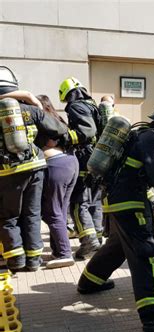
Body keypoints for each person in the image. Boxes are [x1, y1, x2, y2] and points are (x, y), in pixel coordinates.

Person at [77, 100, 154, 332]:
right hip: (132, 203)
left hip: (117, 200)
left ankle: (90, 282)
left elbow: (136, 171)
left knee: (119, 245)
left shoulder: (140, 134)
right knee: (147, 253)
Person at [0, 66, 68, 271]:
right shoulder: (30, 109)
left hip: (6, 172)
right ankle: (34, 261)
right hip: (36, 167)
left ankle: (16, 261)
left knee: (8, 216)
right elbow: (60, 129)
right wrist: (36, 105)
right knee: (32, 214)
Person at [59, 77, 103, 259]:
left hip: (84, 156)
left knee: (78, 201)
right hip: (98, 157)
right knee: (94, 199)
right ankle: (97, 239)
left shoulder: (76, 106)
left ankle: (88, 241)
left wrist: (64, 137)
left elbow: (87, 132)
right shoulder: (92, 105)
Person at [36, 95, 79, 269]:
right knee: (60, 210)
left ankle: (64, 253)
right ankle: (58, 251)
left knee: (51, 212)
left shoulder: (42, 120)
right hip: (70, 163)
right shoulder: (57, 119)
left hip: (55, 165)